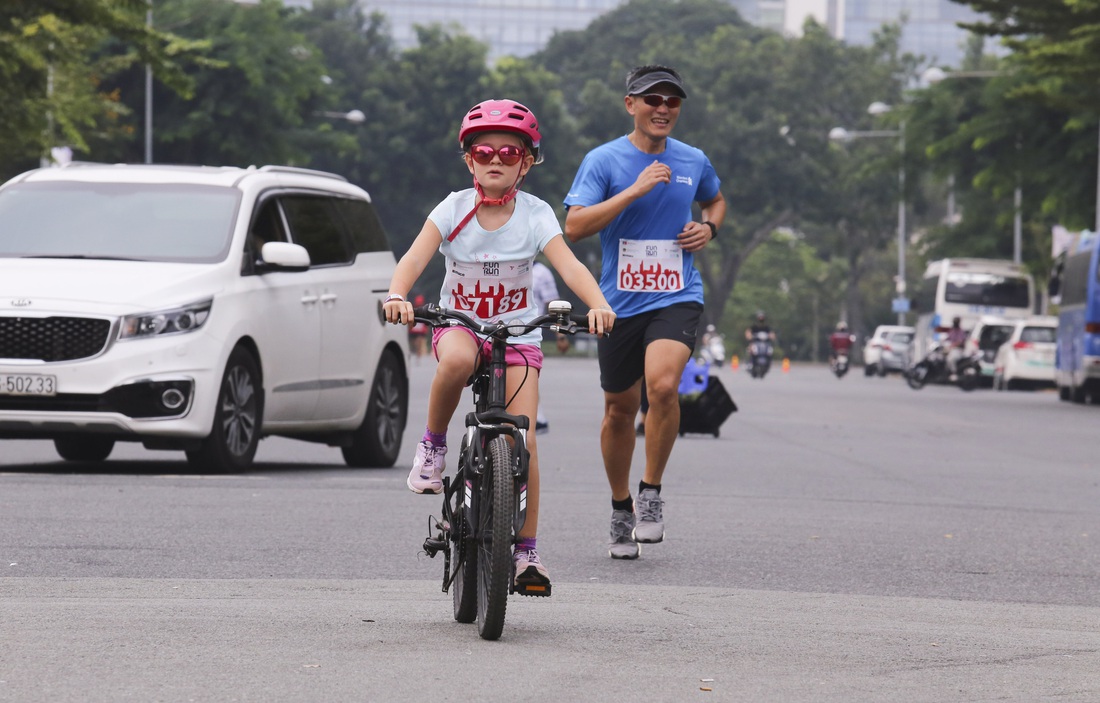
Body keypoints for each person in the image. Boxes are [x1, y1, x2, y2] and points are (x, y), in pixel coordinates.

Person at [383, 99, 615, 589]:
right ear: (469, 160)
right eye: (484, 151)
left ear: (526, 163)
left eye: (510, 153)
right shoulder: (452, 208)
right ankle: (432, 447)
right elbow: (414, 257)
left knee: (524, 439)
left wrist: (598, 303)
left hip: (516, 335)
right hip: (460, 324)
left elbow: (569, 266)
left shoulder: (536, 215)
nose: (496, 160)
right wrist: (398, 294)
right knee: (458, 360)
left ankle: (526, 554)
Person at [563, 65, 726, 560]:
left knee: (661, 387)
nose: (663, 109)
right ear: (630, 105)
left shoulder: (693, 159)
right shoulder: (603, 160)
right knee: (619, 410)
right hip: (617, 303)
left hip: (677, 293)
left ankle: (651, 493)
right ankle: (621, 505)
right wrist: (633, 190)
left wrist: (709, 228)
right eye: (652, 99)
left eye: (672, 101)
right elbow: (573, 226)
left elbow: (715, 201)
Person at [529, 261, 560, 433]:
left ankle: (538, 416)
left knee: (527, 373)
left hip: (530, 332)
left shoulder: (542, 272)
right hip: (495, 328)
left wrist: (559, 334)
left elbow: (552, 304)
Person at [407, 294, 429, 362]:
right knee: (413, 344)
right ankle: (413, 354)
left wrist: (425, 330)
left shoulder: (425, 311)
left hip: (420, 331)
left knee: (419, 343)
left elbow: (426, 323)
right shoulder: (413, 310)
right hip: (413, 330)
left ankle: (418, 355)